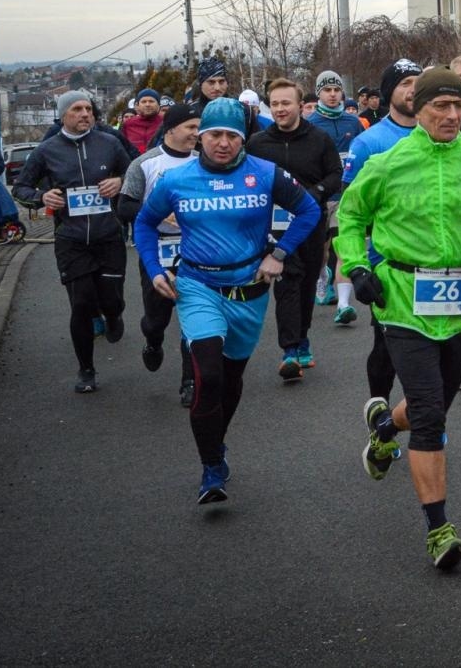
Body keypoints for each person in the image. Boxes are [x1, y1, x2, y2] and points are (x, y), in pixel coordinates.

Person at [336, 67, 461, 570]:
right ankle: (439, 528)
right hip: (402, 300)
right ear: (418, 110)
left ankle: (383, 433)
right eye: (441, 106)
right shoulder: (387, 162)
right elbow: (350, 219)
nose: (452, 115)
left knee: (432, 404)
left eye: (459, 106)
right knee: (430, 414)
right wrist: (357, 267)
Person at [134, 98, 321, 504]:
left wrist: (279, 254)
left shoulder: (266, 174)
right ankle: (211, 467)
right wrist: (153, 269)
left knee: (232, 380)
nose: (222, 144)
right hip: (197, 285)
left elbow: (309, 211)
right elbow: (144, 223)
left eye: (232, 136)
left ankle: (216, 446)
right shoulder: (175, 180)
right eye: (213, 135)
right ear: (199, 138)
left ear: (243, 139)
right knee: (209, 375)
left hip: (249, 290)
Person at [13, 90, 133, 393]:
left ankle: (114, 313)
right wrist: (42, 196)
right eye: (77, 109)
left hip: (108, 236)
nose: (85, 114)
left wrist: (119, 182)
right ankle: (86, 370)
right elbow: (21, 187)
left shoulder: (109, 143)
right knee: (80, 304)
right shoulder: (47, 150)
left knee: (111, 298)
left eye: (88, 109)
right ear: (63, 115)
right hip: (71, 239)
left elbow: (136, 171)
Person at [248, 78, 343, 381]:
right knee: (288, 279)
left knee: (305, 284)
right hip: (274, 225)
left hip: (310, 222)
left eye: (285, 103)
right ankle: (289, 350)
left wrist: (316, 191)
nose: (280, 109)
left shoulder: (319, 139)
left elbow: (335, 175)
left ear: (300, 106)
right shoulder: (258, 144)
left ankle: (302, 337)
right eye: (274, 103)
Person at [343, 58, 425, 401]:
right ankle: (379, 412)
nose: (413, 90)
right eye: (405, 83)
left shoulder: (444, 136)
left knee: (434, 348)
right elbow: (350, 212)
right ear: (389, 92)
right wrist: (358, 266)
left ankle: (423, 417)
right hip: (387, 263)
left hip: (436, 261)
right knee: (388, 346)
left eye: (418, 83)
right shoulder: (369, 142)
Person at [116, 103, 201, 405]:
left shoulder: (203, 162)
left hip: (196, 251)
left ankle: (190, 382)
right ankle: (152, 341)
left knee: (194, 318)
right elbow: (124, 206)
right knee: (157, 319)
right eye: (191, 127)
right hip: (158, 250)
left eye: (198, 127)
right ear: (172, 128)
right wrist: (159, 215)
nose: (196, 133)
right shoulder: (145, 164)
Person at [306, 69, 366, 322]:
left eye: (336, 90)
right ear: (319, 92)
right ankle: (322, 278)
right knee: (323, 248)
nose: (332, 95)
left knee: (342, 246)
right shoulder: (309, 122)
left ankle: (343, 305)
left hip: (346, 193)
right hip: (321, 194)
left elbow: (362, 154)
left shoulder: (353, 122)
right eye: (327, 90)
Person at [192, 58, 259, 139]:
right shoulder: (190, 111)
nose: (217, 87)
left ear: (227, 83)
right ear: (200, 84)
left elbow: (255, 145)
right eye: (211, 82)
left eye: (221, 81)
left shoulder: (244, 110)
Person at [121, 89, 163, 153]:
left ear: (158, 104)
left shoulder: (165, 123)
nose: (147, 104)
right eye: (143, 102)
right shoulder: (128, 124)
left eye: (151, 101)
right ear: (137, 105)